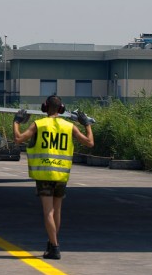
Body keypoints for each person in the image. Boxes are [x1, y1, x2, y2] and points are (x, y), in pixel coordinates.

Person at [13, 95, 94, 260]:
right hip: (61, 174)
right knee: (57, 211)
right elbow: (89, 143)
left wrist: (16, 122)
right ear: (61, 108)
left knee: (48, 212)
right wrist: (87, 124)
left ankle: (55, 247)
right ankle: (51, 244)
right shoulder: (69, 126)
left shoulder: (39, 124)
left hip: (44, 174)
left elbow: (18, 139)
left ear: (44, 107)